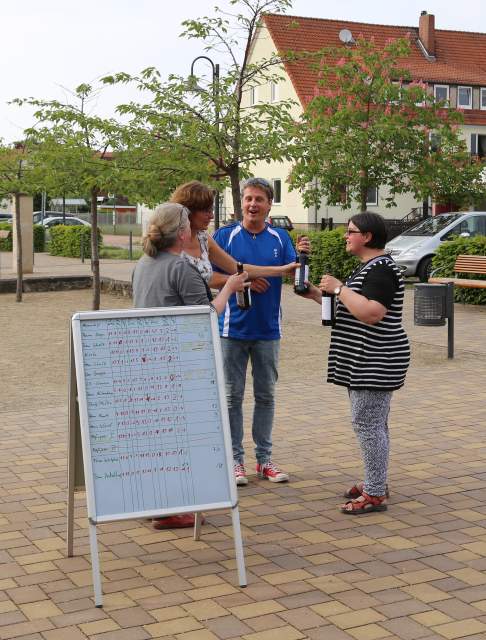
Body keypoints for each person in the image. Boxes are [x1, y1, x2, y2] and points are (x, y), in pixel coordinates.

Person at [132, 202, 247, 529]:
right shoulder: (182, 268)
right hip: (175, 366)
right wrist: (229, 288)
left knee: (158, 439)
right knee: (176, 440)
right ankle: (170, 510)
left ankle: (157, 503)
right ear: (182, 232)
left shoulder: (143, 263)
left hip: (147, 362)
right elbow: (205, 318)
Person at [303, 212, 410, 514]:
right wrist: (316, 295)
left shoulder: (381, 270)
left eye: (350, 231)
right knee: (375, 423)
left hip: (376, 359)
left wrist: (339, 288)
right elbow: (352, 308)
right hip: (365, 358)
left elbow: (372, 313)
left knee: (367, 424)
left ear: (368, 236)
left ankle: (375, 493)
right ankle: (376, 480)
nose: (345, 236)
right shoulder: (370, 268)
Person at [212, 177, 309, 486]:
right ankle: (235, 461)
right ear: (241, 202)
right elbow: (209, 276)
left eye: (259, 199)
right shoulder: (224, 236)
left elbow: (297, 279)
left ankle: (264, 460)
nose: (252, 204)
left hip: (268, 330)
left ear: (269, 205)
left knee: (266, 396)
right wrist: (244, 281)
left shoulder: (280, 238)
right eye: (248, 198)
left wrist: (304, 255)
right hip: (232, 330)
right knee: (231, 397)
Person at [170, 181, 298, 293]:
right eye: (207, 211)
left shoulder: (203, 239)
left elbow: (235, 267)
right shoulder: (169, 241)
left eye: (259, 199)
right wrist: (238, 282)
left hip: (200, 313)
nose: (212, 216)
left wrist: (283, 270)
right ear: (189, 211)